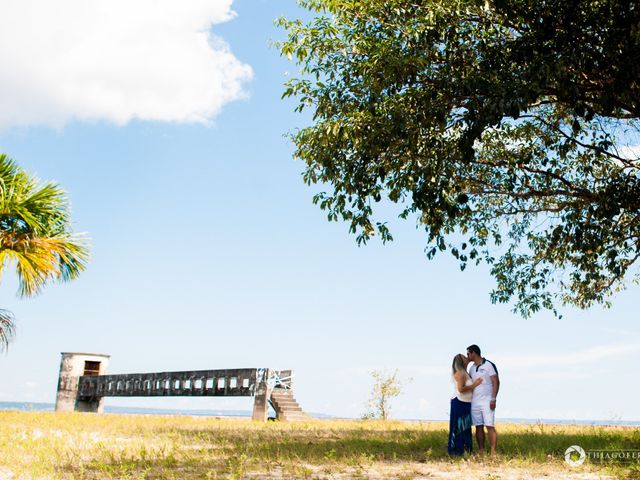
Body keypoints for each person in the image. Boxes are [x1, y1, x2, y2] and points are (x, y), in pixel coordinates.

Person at [467, 344, 500, 456]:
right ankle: (481, 451)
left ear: (473, 353)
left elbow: (496, 382)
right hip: (475, 402)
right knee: (478, 426)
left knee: (489, 426)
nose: (467, 356)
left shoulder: (488, 365)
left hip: (487, 401)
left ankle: (493, 453)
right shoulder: (471, 369)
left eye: (468, 354)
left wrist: (493, 399)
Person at [448, 353, 483, 455]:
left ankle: (465, 449)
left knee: (465, 426)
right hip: (459, 402)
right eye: (464, 357)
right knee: (459, 427)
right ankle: (457, 450)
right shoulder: (460, 373)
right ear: (461, 361)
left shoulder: (465, 372)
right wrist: (474, 385)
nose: (467, 357)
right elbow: (461, 389)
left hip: (466, 402)